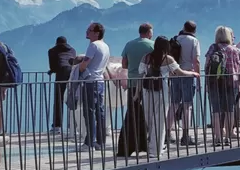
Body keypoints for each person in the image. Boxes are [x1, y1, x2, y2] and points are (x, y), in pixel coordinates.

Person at [139, 36, 197, 157]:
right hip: (161, 90)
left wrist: (136, 93)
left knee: (149, 118)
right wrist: (193, 73)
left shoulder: (146, 57)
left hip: (147, 90)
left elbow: (141, 74)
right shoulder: (168, 59)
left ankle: (152, 146)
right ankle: (156, 150)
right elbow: (180, 72)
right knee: (159, 119)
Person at [205, 26, 240, 147]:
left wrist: (207, 82)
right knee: (229, 110)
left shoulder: (213, 47)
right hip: (231, 83)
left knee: (216, 111)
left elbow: (207, 63)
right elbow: (239, 66)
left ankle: (218, 138)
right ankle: (228, 136)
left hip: (215, 83)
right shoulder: (233, 50)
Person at [72, 22, 110, 150]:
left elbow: (84, 64)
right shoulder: (105, 46)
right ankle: (101, 142)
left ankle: (89, 143)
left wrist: (79, 70)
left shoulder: (93, 46)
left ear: (96, 33)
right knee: (100, 112)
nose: (87, 32)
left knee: (89, 112)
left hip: (90, 82)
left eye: (89, 30)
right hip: (100, 81)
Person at [118, 24, 155, 153]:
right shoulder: (153, 45)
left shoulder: (129, 44)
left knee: (132, 113)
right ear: (149, 32)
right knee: (146, 115)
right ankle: (144, 143)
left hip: (132, 83)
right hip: (147, 84)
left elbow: (124, 64)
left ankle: (127, 145)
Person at [168, 21, 201, 148]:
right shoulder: (194, 41)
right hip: (188, 75)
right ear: (194, 30)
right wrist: (197, 77)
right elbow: (196, 60)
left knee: (173, 104)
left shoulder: (176, 39)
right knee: (187, 106)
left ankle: (167, 133)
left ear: (183, 28)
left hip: (175, 74)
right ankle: (185, 136)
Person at [46, 36, 76, 133]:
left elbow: (53, 67)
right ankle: (73, 125)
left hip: (61, 74)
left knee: (59, 99)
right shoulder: (72, 50)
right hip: (72, 73)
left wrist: (51, 71)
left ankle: (57, 126)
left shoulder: (52, 51)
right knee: (72, 99)